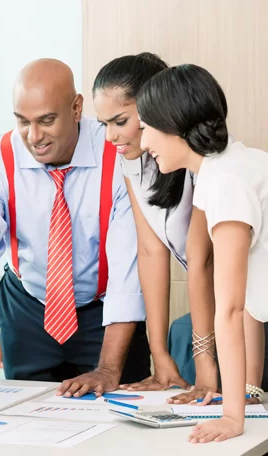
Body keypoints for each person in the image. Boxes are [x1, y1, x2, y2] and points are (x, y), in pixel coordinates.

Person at [0, 58, 151, 395]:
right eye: (23, 121)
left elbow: (128, 274)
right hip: (27, 307)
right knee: (29, 418)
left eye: (46, 120)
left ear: (76, 108)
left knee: (115, 410)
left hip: (106, 312)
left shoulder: (118, 154)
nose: (34, 136)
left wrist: (108, 369)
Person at [137, 64, 268, 443]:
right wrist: (247, 392)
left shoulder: (226, 181)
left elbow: (230, 307)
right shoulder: (225, 168)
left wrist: (232, 417)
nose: (143, 143)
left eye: (147, 127)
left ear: (173, 124)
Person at [92, 53, 218, 403]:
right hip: (217, 300)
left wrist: (205, 368)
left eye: (120, 121)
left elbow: (203, 261)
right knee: (178, 341)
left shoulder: (204, 160)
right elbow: (150, 251)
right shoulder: (132, 160)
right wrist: (158, 354)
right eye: (104, 124)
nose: (111, 137)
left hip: (247, 301)